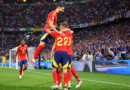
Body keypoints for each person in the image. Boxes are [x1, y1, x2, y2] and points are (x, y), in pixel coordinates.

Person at [51, 23, 82, 89]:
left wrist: (52, 51)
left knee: (60, 69)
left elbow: (55, 43)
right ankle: (68, 84)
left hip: (64, 52)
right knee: (68, 68)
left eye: (61, 26)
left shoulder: (62, 34)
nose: (60, 27)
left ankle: (60, 85)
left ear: (62, 26)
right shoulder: (70, 34)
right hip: (68, 52)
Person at [47, 22, 73, 90]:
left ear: (62, 26)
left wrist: (53, 28)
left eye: (60, 25)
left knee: (55, 68)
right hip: (65, 52)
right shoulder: (68, 33)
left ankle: (56, 84)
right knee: (65, 69)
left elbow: (47, 30)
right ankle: (65, 87)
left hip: (58, 52)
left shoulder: (56, 33)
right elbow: (71, 31)